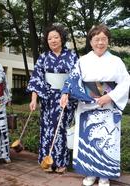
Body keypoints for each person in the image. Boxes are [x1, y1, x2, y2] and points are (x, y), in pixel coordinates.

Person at [60, 24, 130, 186]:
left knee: (106, 140)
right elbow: (72, 80)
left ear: (108, 41)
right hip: (86, 106)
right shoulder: (83, 60)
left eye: (104, 39)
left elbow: (126, 82)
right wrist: (65, 93)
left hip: (108, 106)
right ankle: (90, 174)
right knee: (88, 140)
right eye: (96, 39)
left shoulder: (116, 61)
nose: (100, 43)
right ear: (90, 42)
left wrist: (111, 96)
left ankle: (104, 176)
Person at [26, 24, 78, 173]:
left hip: (66, 97)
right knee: (47, 129)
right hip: (48, 99)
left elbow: (75, 77)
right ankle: (47, 161)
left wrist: (67, 92)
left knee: (61, 129)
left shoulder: (72, 56)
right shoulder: (43, 57)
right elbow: (36, 79)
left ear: (62, 38)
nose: (53, 40)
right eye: (50, 38)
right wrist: (34, 99)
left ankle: (61, 162)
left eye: (56, 37)